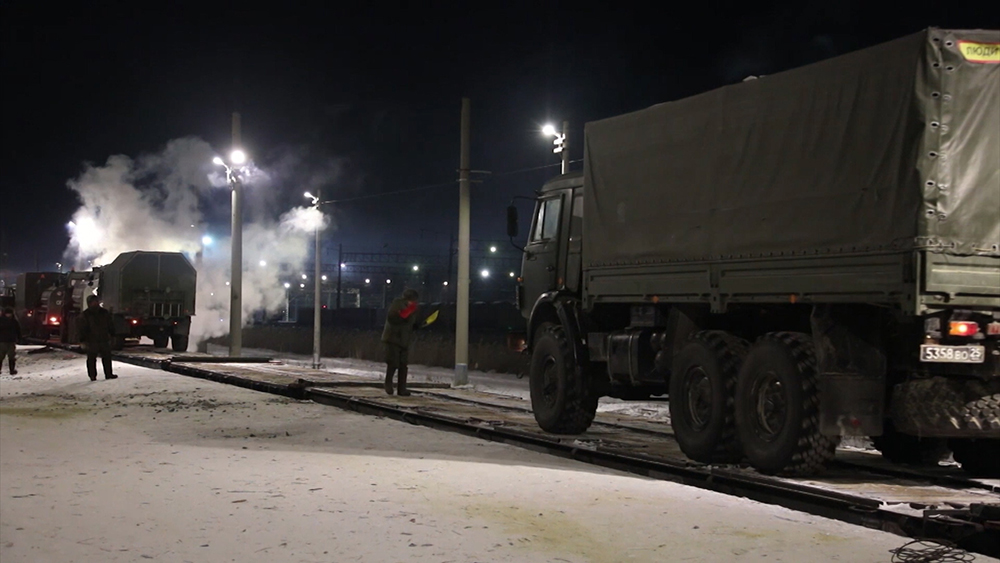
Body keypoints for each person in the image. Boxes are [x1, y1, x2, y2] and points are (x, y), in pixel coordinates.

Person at [381, 288, 421, 396]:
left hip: (403, 340)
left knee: (403, 364)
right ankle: (388, 383)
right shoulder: (397, 304)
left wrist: (416, 325)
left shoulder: (411, 309)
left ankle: (401, 389)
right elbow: (393, 318)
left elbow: (409, 323)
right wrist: (408, 314)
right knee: (393, 363)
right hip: (393, 338)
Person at [77, 295, 117, 381]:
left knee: (106, 357)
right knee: (91, 359)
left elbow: (110, 324)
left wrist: (112, 334)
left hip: (103, 338)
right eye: (93, 302)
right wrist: (83, 340)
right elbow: (82, 328)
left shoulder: (104, 313)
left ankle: (108, 374)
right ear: (89, 303)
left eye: (96, 301)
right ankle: (92, 375)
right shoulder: (85, 315)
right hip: (91, 340)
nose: (95, 303)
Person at [0, 307, 21, 375]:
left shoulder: (13, 321)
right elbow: (18, 330)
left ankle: (12, 370)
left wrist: (19, 338)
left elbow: (18, 330)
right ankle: (11, 370)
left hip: (9, 340)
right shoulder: (13, 321)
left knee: (11, 356)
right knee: (2, 356)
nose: (8, 315)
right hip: (3, 341)